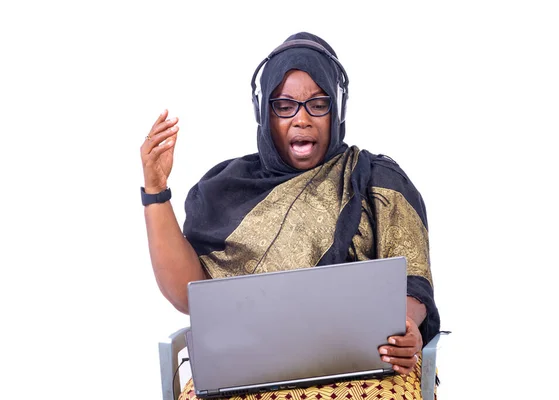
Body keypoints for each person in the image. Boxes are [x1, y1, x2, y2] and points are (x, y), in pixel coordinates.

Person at [140, 32, 440, 400]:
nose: (302, 119)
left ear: (337, 111)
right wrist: (156, 190)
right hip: (245, 377)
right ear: (264, 113)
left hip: (367, 371)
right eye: (285, 106)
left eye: (318, 104)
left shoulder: (377, 179)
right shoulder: (223, 191)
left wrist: (406, 327)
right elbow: (190, 294)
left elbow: (413, 282)